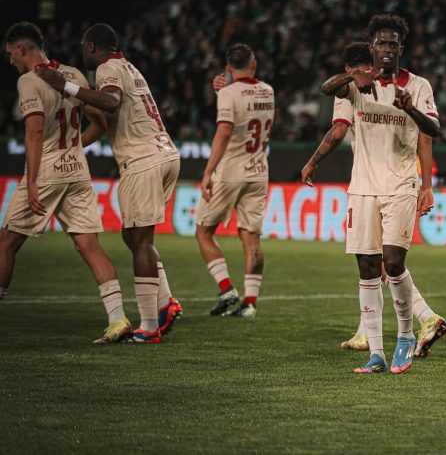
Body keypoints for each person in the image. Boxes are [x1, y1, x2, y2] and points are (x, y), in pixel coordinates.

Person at [36, 23, 182, 343]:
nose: (82, 51)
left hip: (143, 160)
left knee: (141, 242)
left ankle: (149, 327)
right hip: (165, 154)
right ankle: (165, 302)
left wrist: (65, 86)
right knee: (133, 236)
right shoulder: (130, 67)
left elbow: (112, 101)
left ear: (91, 46)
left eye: (83, 47)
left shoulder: (107, 68)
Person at [301, 42, 446, 358]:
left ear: (348, 67)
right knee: (377, 263)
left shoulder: (357, 87)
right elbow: (426, 136)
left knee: (382, 262)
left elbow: (338, 131)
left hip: (379, 183)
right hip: (387, 183)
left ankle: (423, 318)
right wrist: (427, 183)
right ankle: (369, 332)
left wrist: (312, 162)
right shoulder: (374, 85)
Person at [0, 22, 131, 343]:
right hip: (77, 171)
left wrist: (32, 181)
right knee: (89, 246)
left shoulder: (28, 81)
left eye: (10, 53)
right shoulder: (73, 74)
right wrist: (73, 147)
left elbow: (34, 131)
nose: (10, 60)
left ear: (21, 48)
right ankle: (118, 319)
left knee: (6, 244)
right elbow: (100, 123)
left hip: (46, 172)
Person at [196, 44, 274, 318]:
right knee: (252, 240)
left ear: (228, 68)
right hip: (258, 171)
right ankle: (249, 303)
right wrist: (224, 91)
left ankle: (227, 289)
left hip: (230, 172)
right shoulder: (268, 90)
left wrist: (208, 172)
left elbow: (225, 131)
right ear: (254, 63)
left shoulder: (229, 93)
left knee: (204, 232)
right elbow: (248, 106)